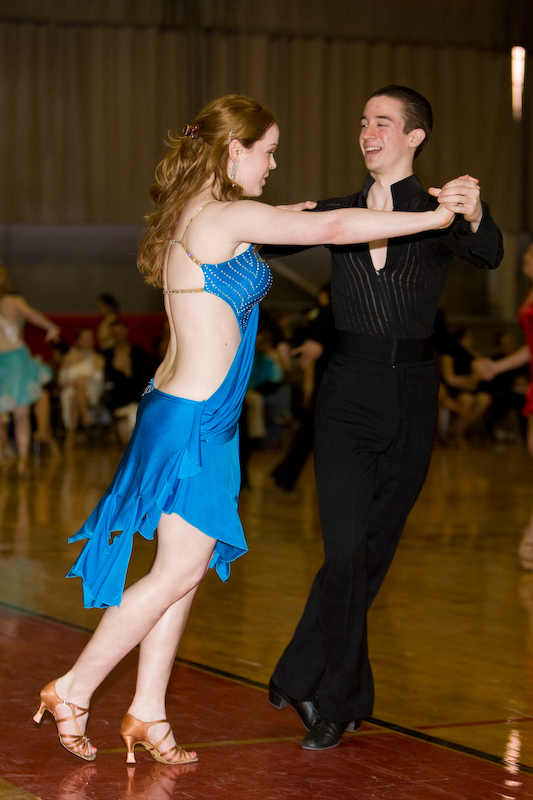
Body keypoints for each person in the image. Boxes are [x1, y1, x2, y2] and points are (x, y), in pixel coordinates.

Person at [33, 93, 456, 765]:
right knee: (174, 572)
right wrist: (432, 217)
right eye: (268, 152)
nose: (273, 164)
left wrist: (287, 215)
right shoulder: (226, 216)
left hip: (182, 411)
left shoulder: (198, 213)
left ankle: (148, 711)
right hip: (197, 422)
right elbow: (333, 227)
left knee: (183, 572)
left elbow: (283, 225)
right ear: (235, 151)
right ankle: (74, 688)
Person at [267, 85, 503, 750]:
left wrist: (475, 209)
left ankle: (300, 673)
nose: (367, 132)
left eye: (382, 121)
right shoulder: (338, 211)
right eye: (363, 121)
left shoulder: (438, 209)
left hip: (415, 395)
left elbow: (488, 251)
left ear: (414, 136)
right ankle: (338, 700)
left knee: (371, 554)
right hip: (346, 392)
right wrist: (234, 207)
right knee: (345, 552)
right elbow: (270, 237)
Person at [474, 242, 533, 567]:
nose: (525, 256)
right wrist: (497, 368)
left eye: (531, 253)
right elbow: (530, 348)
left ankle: (532, 537)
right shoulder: (529, 294)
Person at [0, 263, 61, 474]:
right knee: (19, 414)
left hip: (15, 363)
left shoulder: (13, 302)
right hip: (11, 363)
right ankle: (19, 460)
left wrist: (50, 326)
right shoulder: (14, 302)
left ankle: (21, 460)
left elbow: (32, 315)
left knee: (18, 413)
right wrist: (50, 327)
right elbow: (33, 316)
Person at [58, 328, 105, 449]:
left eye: (90, 339)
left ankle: (70, 436)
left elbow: (98, 378)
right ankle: (85, 416)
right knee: (75, 394)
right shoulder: (68, 358)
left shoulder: (98, 358)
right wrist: (74, 382)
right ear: (77, 341)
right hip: (70, 389)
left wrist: (83, 379)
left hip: (91, 390)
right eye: (84, 339)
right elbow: (61, 381)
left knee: (78, 389)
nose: (87, 342)